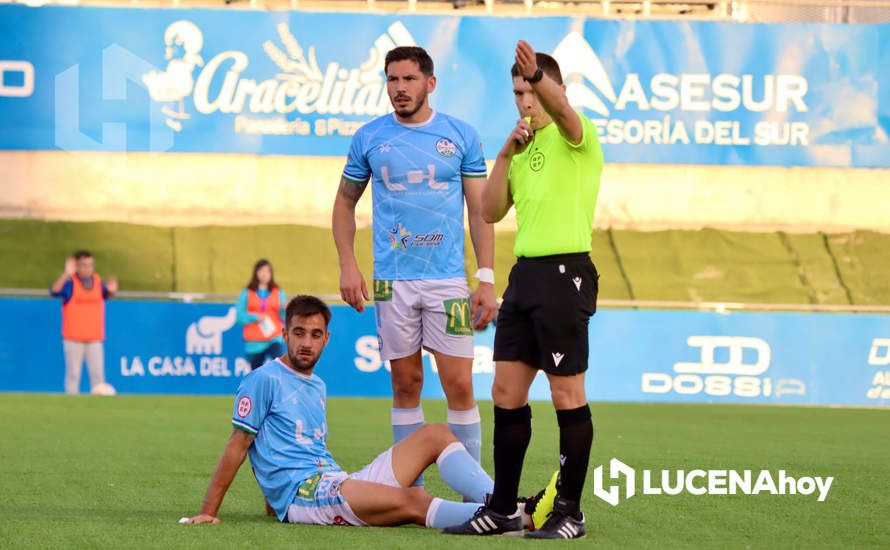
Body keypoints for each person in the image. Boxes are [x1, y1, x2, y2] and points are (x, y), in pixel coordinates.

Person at [181, 295, 548, 529]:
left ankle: (503, 501)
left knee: (436, 434)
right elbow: (239, 444)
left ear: (326, 338)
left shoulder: (317, 385)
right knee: (413, 501)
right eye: (298, 332)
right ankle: (519, 518)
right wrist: (210, 509)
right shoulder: (263, 379)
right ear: (285, 333)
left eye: (314, 334)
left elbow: (291, 446)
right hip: (308, 497)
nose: (305, 342)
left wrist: (270, 501)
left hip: (334, 482)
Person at [445, 40, 603, 539]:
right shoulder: (520, 146)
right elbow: (490, 211)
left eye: (530, 90)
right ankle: (505, 509)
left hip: (565, 274)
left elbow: (562, 109)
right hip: (526, 278)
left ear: (549, 88)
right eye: (516, 92)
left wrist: (541, 80)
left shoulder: (578, 137)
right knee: (506, 392)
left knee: (566, 394)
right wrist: (503, 152)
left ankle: (570, 512)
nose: (525, 101)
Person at [332, 46, 498, 470]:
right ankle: (410, 487)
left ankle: (475, 492)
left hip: (448, 281)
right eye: (392, 79)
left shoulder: (461, 136)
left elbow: (480, 212)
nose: (400, 88)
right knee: (406, 383)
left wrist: (486, 278)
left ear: (430, 83)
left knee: (459, 383)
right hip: (391, 280)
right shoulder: (369, 137)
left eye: (409, 79)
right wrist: (348, 265)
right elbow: (344, 204)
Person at [49, 250, 118, 395]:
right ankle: (71, 408)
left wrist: (112, 290)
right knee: (73, 375)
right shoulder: (70, 283)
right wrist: (67, 273)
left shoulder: (98, 282)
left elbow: (107, 294)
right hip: (73, 338)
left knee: (98, 376)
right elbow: (54, 291)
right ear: (76, 266)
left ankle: (98, 409)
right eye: (83, 265)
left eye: (90, 265)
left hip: (94, 338)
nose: (87, 268)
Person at [236, 259, 286, 371]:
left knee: (278, 365)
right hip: (255, 341)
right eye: (261, 271)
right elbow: (239, 316)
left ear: (271, 274)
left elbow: (284, 317)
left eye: (267, 271)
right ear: (256, 273)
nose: (264, 274)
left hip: (274, 337)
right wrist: (255, 317)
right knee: (257, 373)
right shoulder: (246, 293)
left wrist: (284, 310)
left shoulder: (278, 293)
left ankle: (277, 387)